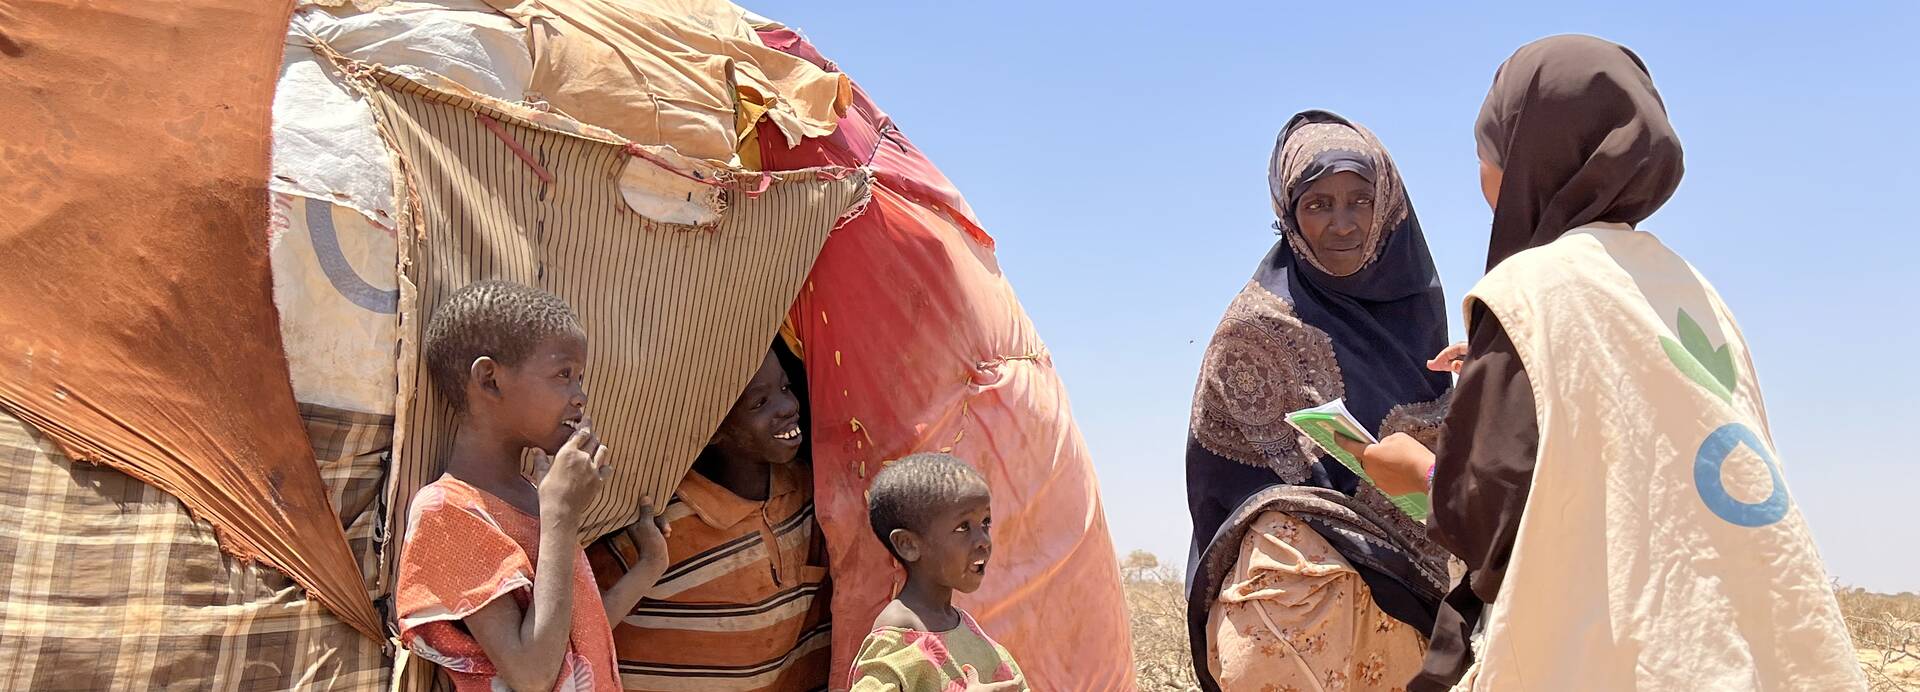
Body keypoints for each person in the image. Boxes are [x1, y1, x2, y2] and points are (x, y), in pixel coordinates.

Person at [1353, 35, 1865, 690]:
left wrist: (1418, 470)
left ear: (1529, 152)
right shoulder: (1691, 291)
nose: (1480, 170)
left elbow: (1481, 515)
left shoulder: (1531, 293)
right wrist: (1501, 369)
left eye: (1488, 147)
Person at [1181, 110, 1454, 692]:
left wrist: (1488, 387)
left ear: (1389, 205)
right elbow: (1225, 491)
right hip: (1291, 600)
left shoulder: (1422, 321)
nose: (1343, 224)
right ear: (1287, 216)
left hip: (1420, 617)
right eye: (1318, 204)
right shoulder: (1254, 330)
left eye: (1360, 200)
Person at [395, 280, 667, 692]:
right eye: (564, 375)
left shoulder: (533, 495)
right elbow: (533, 675)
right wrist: (560, 516)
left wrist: (648, 568)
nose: (581, 396)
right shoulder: (448, 511)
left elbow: (575, 640)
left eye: (580, 378)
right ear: (490, 379)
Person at [586, 344, 833, 692]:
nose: (789, 407)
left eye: (786, 388)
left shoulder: (809, 491)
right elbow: (581, 632)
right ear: (711, 429)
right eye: (760, 403)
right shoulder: (657, 524)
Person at [849, 453, 1028, 692]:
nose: (983, 540)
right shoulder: (898, 634)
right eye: (963, 527)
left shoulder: (962, 624)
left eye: (985, 522)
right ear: (908, 544)